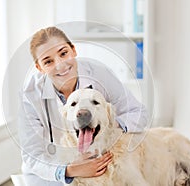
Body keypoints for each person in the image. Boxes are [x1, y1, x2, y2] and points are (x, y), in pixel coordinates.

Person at [18, 26, 147, 186]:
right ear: (39, 68)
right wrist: (70, 170)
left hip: (99, 162)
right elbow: (32, 154)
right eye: (48, 61)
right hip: (51, 172)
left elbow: (139, 112)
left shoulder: (100, 74)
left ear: (73, 50)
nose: (60, 65)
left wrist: (112, 122)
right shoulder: (30, 96)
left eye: (63, 53)